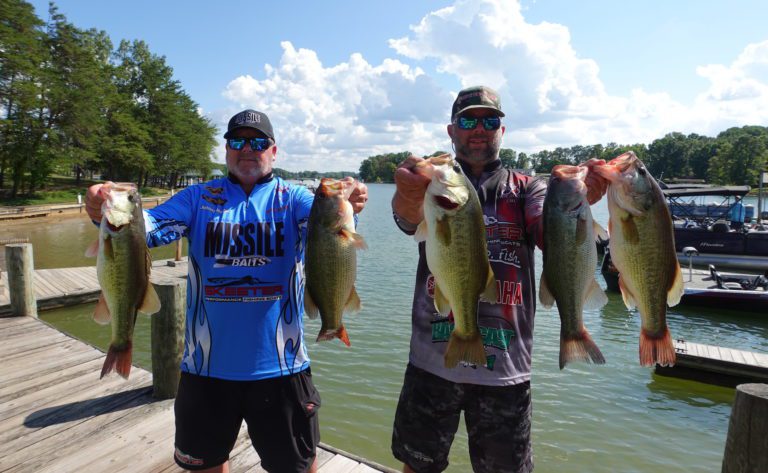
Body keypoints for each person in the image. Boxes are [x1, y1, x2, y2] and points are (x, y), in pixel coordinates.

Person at [85, 109, 368, 473]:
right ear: (226, 149)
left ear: (274, 150)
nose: (247, 149)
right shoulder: (197, 198)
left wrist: (351, 200)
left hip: (281, 368)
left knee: (296, 467)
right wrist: (102, 210)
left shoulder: (295, 198)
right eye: (237, 141)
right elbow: (149, 229)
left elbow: (329, 228)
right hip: (206, 369)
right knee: (205, 466)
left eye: (257, 141)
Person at [389, 86, 607, 473]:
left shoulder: (528, 188)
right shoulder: (428, 186)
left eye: (489, 121)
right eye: (468, 120)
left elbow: (548, 234)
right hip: (431, 360)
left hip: (505, 367)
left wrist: (576, 205)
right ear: (451, 130)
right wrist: (406, 191)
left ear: (502, 131)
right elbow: (407, 217)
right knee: (417, 465)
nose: (479, 129)